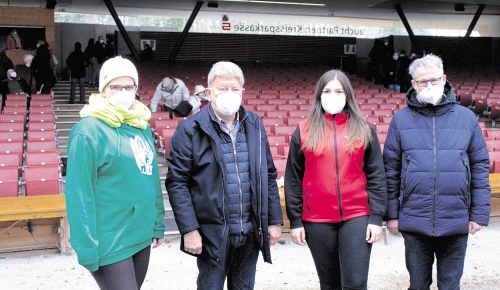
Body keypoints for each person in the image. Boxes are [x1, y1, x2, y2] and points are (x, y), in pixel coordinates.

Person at [165, 61, 283, 289]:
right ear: (208, 93)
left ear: (242, 92)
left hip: (249, 231)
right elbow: (177, 183)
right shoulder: (190, 129)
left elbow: (268, 175)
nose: (229, 94)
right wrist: (189, 230)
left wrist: (275, 221)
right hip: (212, 235)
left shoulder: (255, 125)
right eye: (222, 88)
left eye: (234, 89)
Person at [383, 54, 491, 290]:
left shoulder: (466, 118)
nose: (428, 85)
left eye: (433, 80)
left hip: (456, 218)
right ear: (413, 84)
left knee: (451, 284)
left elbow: (479, 167)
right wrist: (391, 214)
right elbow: (390, 170)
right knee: (418, 284)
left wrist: (479, 214)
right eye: (422, 81)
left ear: (444, 79)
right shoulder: (400, 120)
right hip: (415, 220)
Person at [65, 56, 166, 290]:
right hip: (109, 239)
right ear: (103, 89)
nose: (123, 91)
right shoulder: (88, 131)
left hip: (140, 234)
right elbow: (79, 193)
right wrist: (86, 246)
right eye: (115, 86)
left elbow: (150, 177)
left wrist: (157, 222)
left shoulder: (140, 125)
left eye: (128, 86)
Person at [284, 69, 387, 290]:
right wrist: (295, 220)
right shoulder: (303, 130)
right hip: (317, 220)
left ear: (347, 95)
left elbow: (376, 174)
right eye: (327, 90)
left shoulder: (364, 128)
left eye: (338, 91)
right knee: (329, 283)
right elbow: (293, 178)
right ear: (319, 95)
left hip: (357, 216)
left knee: (356, 283)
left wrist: (377, 217)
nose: (333, 95)